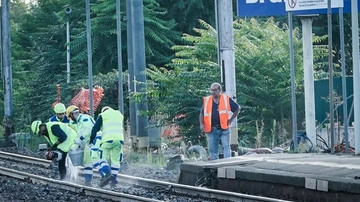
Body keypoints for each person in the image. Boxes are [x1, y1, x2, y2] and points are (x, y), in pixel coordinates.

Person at [199, 82, 240, 160]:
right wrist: (201, 124)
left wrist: (231, 120)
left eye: (215, 90)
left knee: (226, 147)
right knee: (213, 151)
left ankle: (227, 165)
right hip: (211, 129)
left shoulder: (226, 99)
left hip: (224, 128)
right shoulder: (207, 100)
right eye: (211, 90)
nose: (213, 92)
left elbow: (237, 108)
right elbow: (202, 113)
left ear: (220, 90)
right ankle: (215, 169)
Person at [89, 106, 124, 188]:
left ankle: (108, 173)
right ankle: (113, 181)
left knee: (101, 158)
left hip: (107, 140)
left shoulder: (102, 115)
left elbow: (95, 128)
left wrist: (91, 141)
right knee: (115, 161)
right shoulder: (119, 114)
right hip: (119, 140)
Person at [66, 105, 96, 186]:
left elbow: (89, 130)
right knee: (88, 163)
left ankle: (106, 177)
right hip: (89, 143)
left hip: (94, 142)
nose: (70, 119)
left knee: (96, 161)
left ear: (72, 114)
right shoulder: (79, 121)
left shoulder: (84, 118)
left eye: (70, 117)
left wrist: (80, 138)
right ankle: (88, 181)